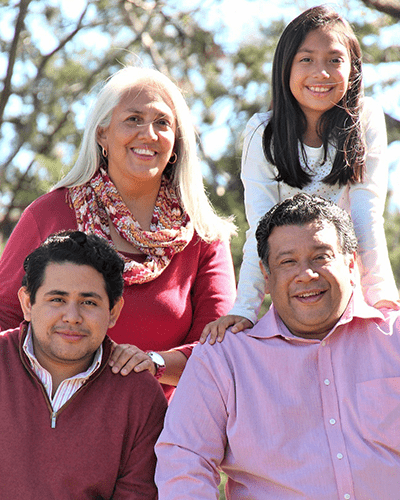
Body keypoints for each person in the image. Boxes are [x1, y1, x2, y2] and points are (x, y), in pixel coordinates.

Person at [0, 66, 236, 399]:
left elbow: (221, 348)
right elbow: (5, 316)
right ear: (102, 135)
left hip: (167, 436)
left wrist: (153, 363)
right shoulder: (49, 214)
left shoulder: (203, 236)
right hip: (54, 420)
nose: (149, 134)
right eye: (134, 119)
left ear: (176, 143)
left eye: (162, 123)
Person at [156, 193, 400, 499]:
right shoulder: (224, 360)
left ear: (351, 265)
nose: (306, 274)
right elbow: (183, 463)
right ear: (266, 278)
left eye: (321, 256)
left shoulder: (395, 339)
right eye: (288, 262)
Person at [201, 4, 399, 344]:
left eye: (334, 60)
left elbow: (367, 215)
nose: (320, 73)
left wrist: (383, 299)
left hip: (347, 289)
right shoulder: (262, 132)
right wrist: (246, 310)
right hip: (294, 296)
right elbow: (259, 229)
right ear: (285, 67)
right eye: (306, 59)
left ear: (352, 69)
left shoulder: (364, 118)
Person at [0, 230, 167, 499]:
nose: (72, 316)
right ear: (27, 303)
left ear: (113, 311)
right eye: (57, 299)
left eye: (88, 302)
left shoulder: (139, 395)